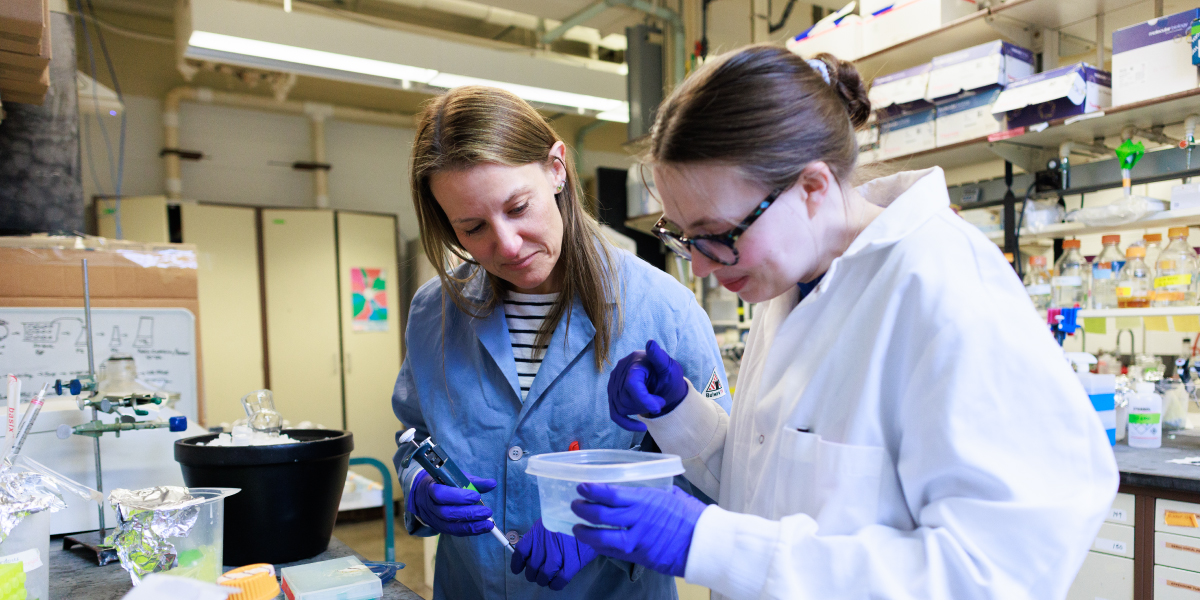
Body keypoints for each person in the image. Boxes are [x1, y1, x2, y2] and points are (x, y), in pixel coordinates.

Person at [572, 45, 1119, 599]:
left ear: (812, 188)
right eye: (684, 236)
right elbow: (779, 491)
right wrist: (683, 419)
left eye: (719, 234)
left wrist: (709, 543)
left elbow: (994, 572)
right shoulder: (790, 284)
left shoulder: (944, 287)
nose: (706, 267)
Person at [392, 85, 731, 599]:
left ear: (556, 168)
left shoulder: (665, 310)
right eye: (473, 227)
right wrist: (420, 489)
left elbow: (712, 476)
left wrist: (606, 529)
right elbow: (414, 436)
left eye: (518, 207)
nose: (506, 244)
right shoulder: (431, 313)